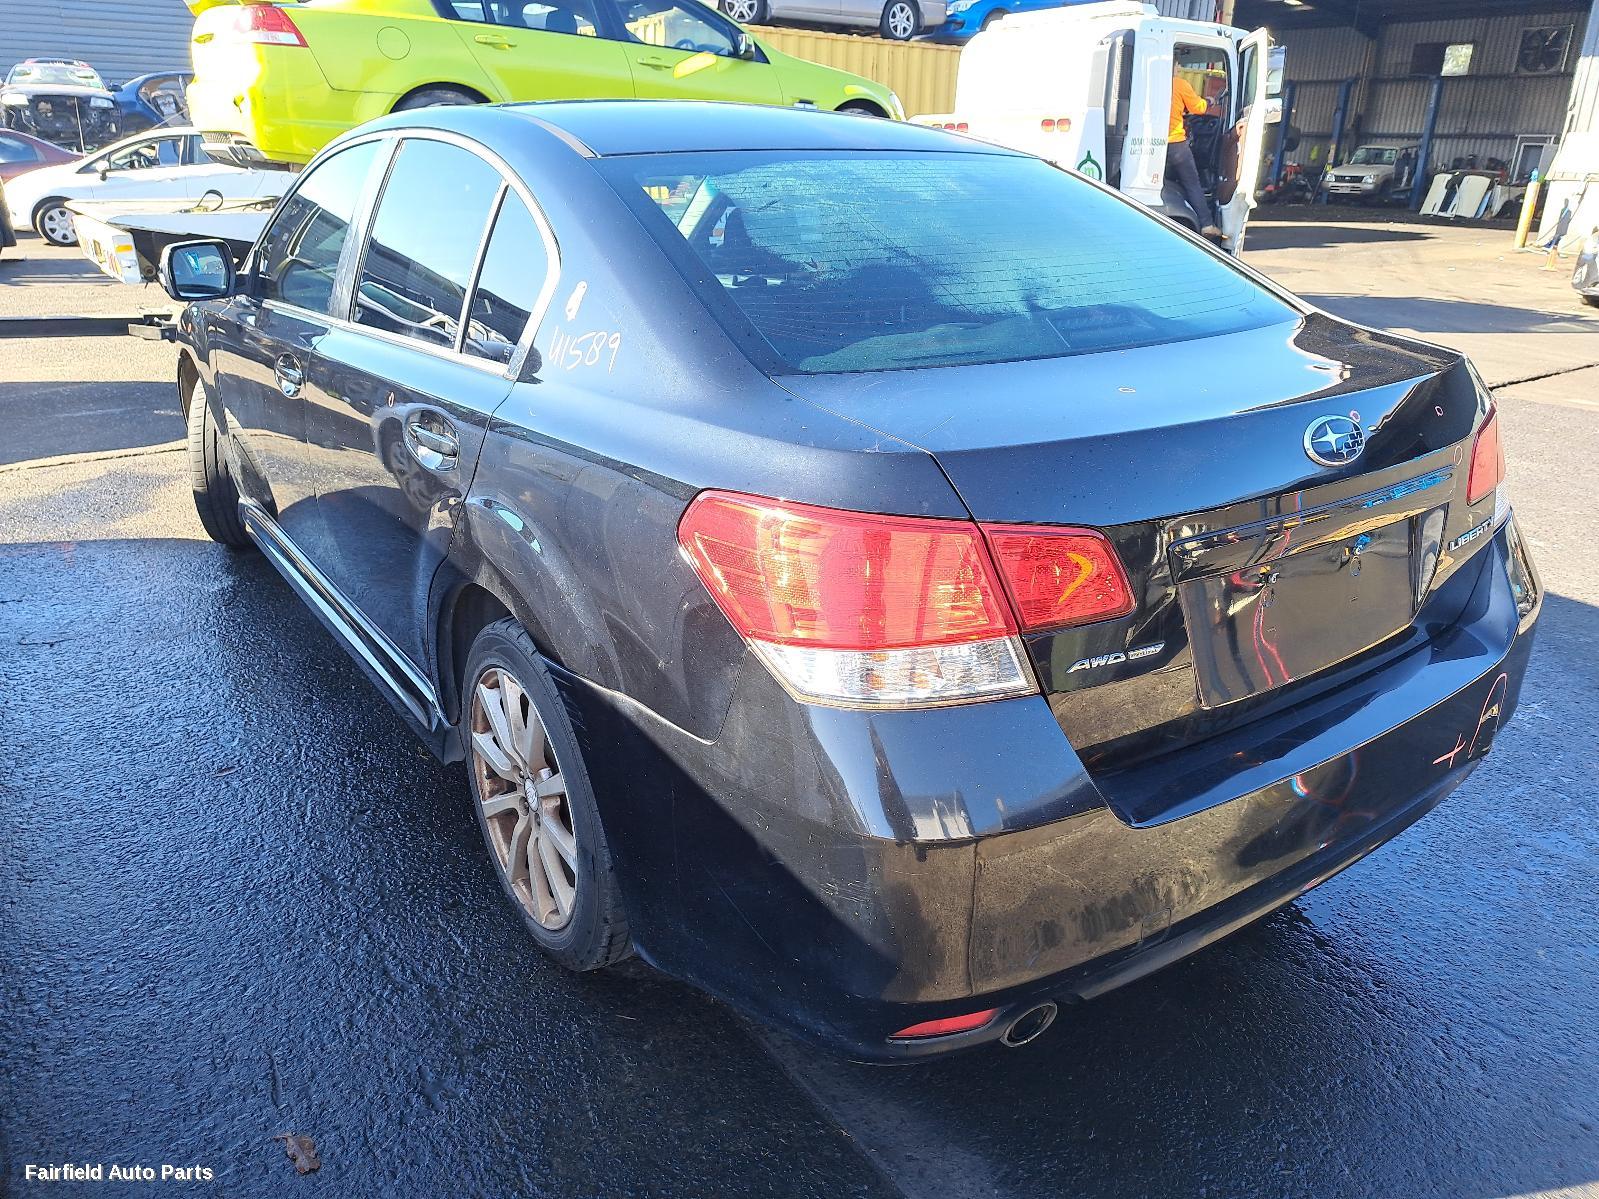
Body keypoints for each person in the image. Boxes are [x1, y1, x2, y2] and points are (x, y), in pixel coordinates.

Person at [1168, 71, 1222, 239]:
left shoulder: (1148, 83)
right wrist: (1210, 101)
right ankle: (1207, 224)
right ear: (1174, 64)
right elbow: (1198, 108)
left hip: (1151, 144)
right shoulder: (1178, 83)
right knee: (1192, 183)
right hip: (1175, 143)